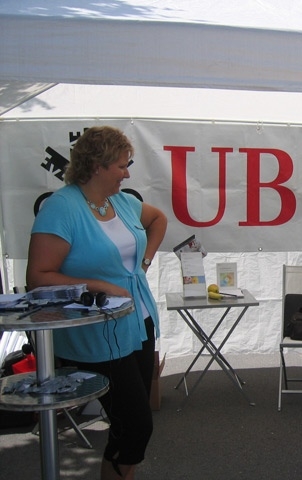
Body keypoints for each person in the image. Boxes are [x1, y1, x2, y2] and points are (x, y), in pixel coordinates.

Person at [26, 126, 168, 480]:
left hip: (137, 323)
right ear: (97, 166)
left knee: (130, 424)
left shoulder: (120, 202)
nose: (127, 174)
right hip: (96, 333)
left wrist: (144, 263)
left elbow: (158, 220)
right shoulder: (62, 207)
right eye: (121, 166)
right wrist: (96, 285)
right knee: (134, 425)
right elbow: (39, 276)